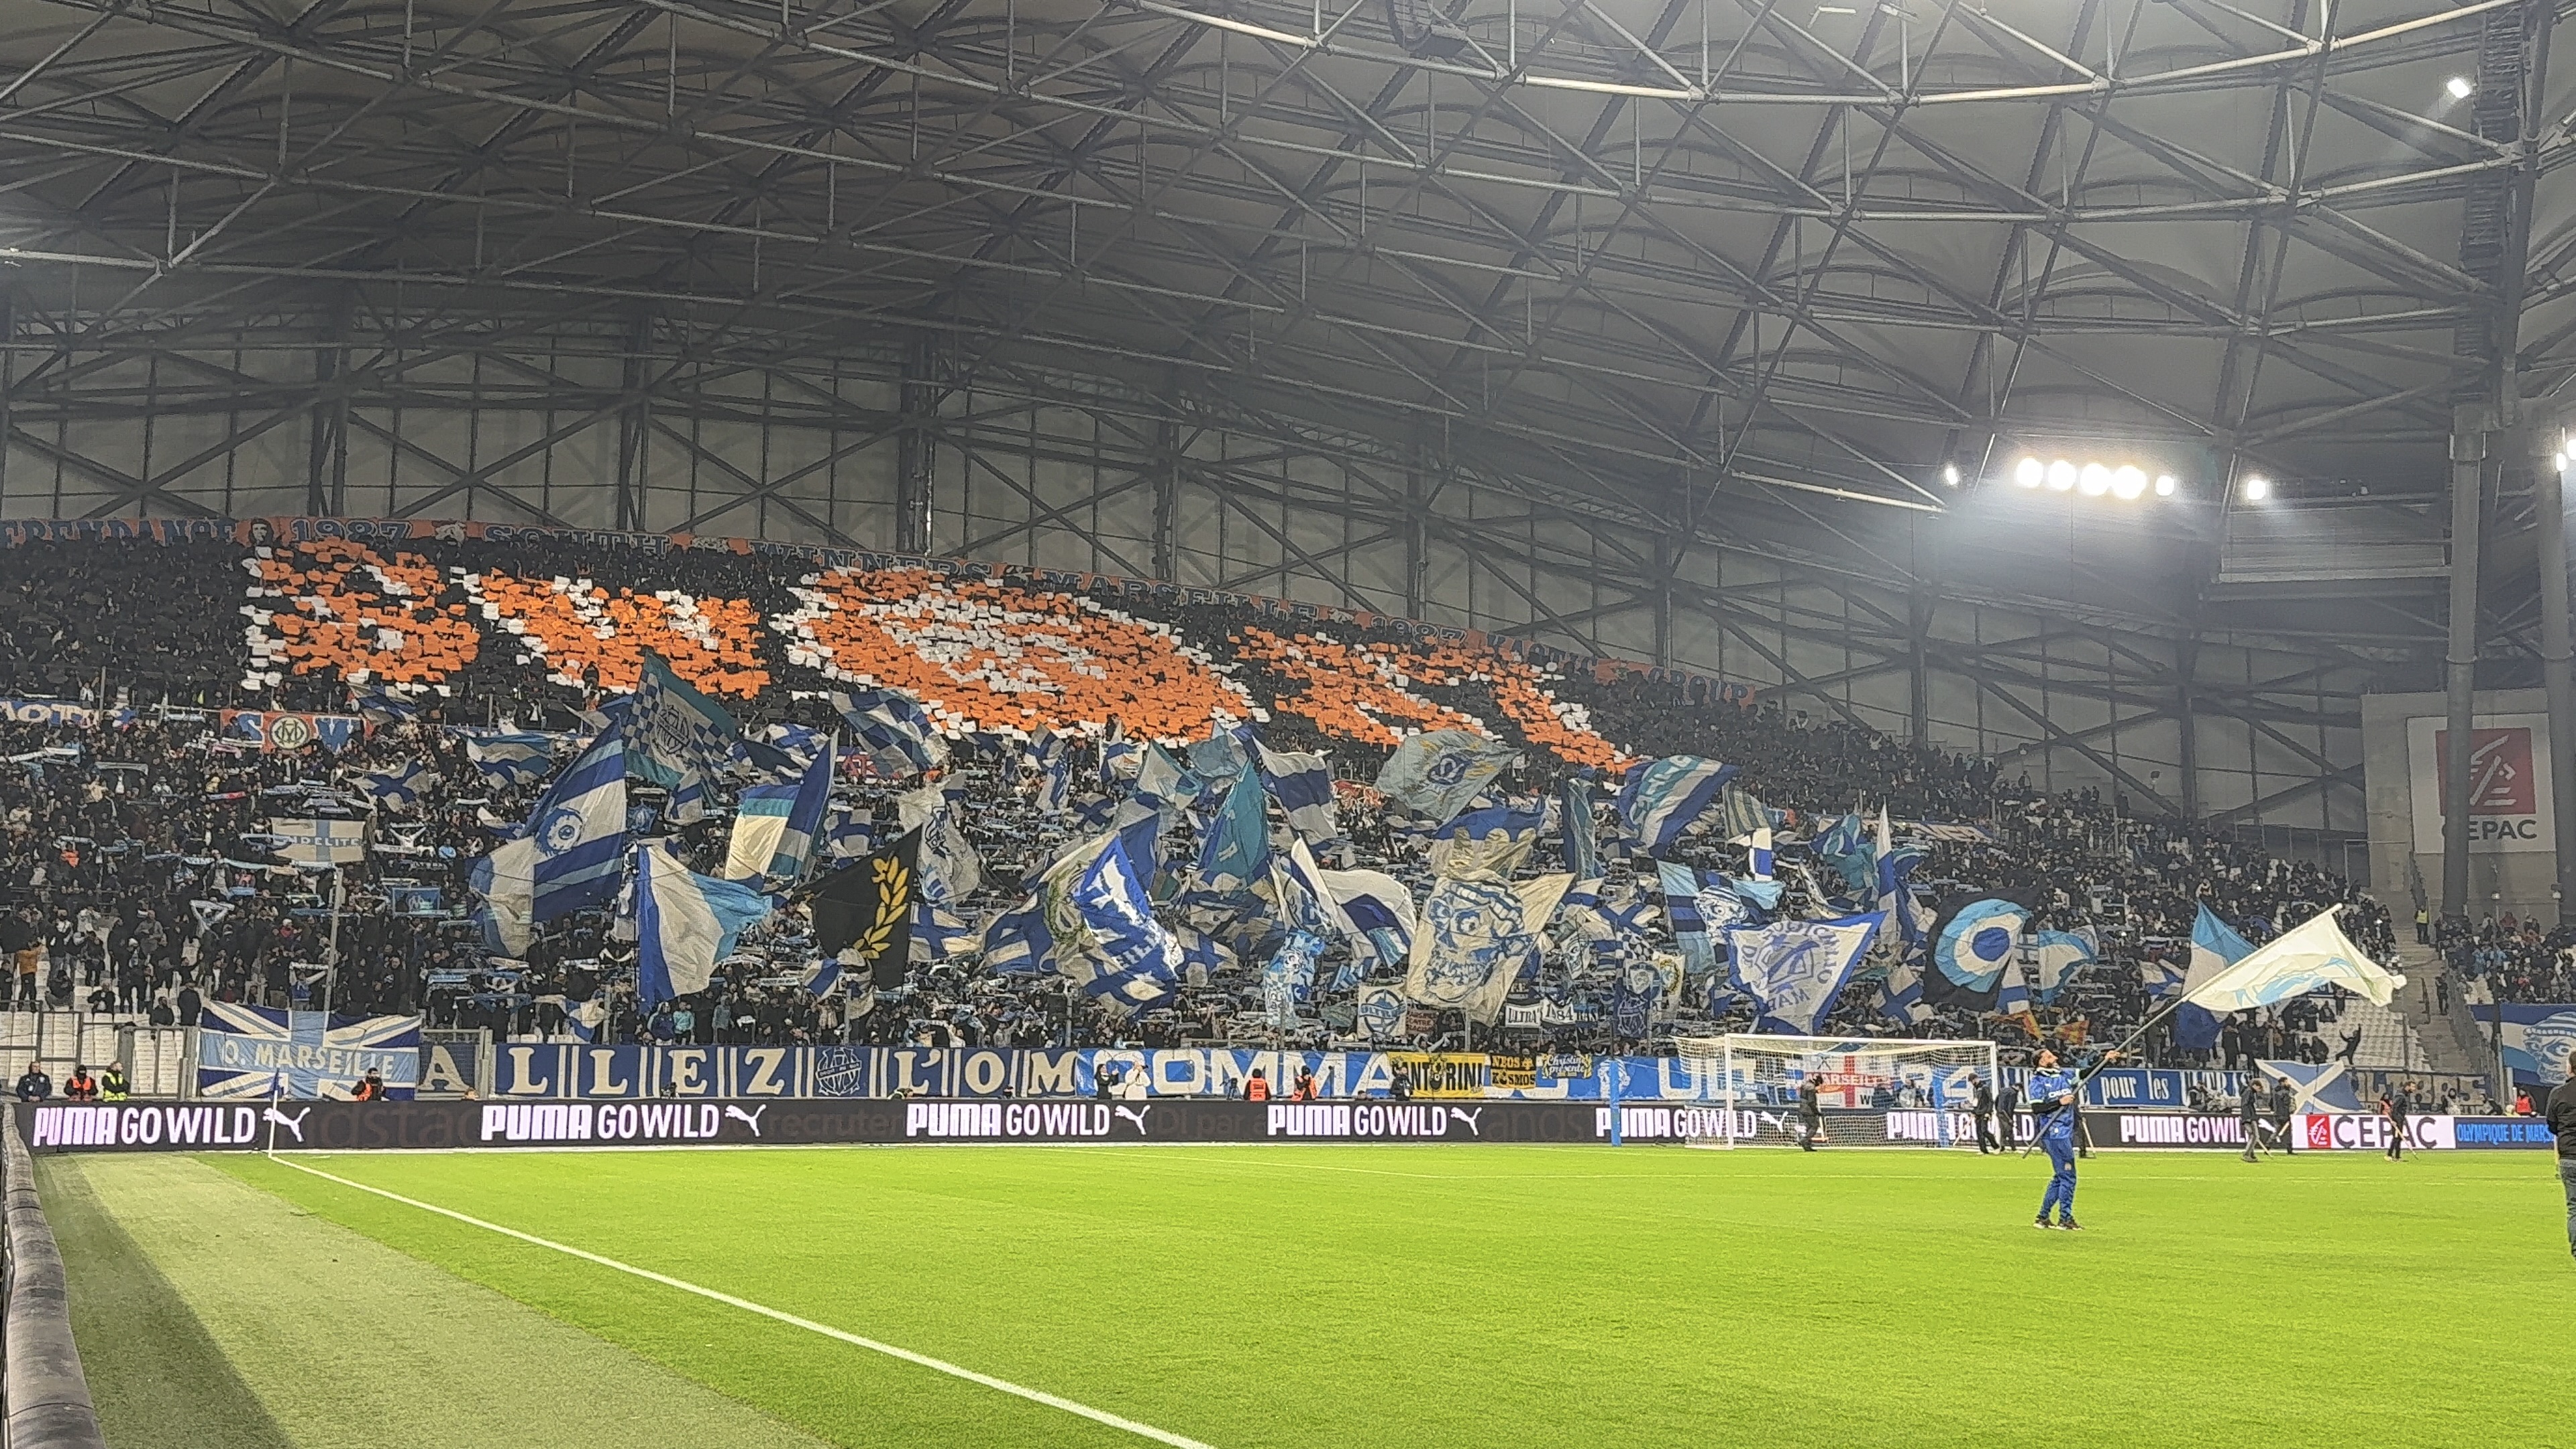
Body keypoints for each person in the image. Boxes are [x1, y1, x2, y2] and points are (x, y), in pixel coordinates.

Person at [2027, 1048, 2116, 1230]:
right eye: (2050, 1056)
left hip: (2065, 1132)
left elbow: (2087, 1073)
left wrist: (2105, 1060)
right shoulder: (2037, 1081)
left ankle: (2043, 1217)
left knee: (2060, 1177)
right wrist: (2059, 1103)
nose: (2055, 1057)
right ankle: (2065, 1219)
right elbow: (2037, 1108)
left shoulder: (2064, 1074)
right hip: (2054, 1134)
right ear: (2042, 1062)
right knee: (2069, 1177)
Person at [2547, 1058, 2576, 1259]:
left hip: (2569, 1157)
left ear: (2570, 1068)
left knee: (2574, 1208)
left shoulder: (2558, 1093)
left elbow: (2552, 1125)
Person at [2239, 1075, 2265, 1163]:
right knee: (2254, 1136)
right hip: (2249, 1117)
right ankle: (2247, 1154)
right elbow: (2245, 1105)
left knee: (2253, 1136)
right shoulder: (2249, 1092)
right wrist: (2248, 1118)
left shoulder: (2249, 1092)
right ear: (2254, 1085)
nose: (2259, 1090)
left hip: (2249, 1117)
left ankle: (2251, 1154)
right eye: (2259, 1088)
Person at [2269, 1077, 2297, 1156]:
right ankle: (2289, 1149)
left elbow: (2270, 1102)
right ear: (2283, 1082)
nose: (2288, 1083)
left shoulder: (2274, 1091)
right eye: (2286, 1082)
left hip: (2277, 1114)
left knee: (2276, 1132)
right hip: (2284, 1114)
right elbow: (2287, 1102)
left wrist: (2272, 1109)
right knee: (2288, 1133)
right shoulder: (2286, 1092)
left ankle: (2268, 1146)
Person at [1797, 1074, 1825, 1151]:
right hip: (1809, 1110)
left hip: (1802, 1108)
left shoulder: (1804, 1085)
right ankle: (1805, 1140)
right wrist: (1816, 1112)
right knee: (1814, 1126)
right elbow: (1811, 1102)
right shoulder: (1811, 1088)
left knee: (1809, 1127)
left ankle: (1807, 1146)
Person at [1971, 1076, 1998, 1155]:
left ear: (1976, 1079)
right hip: (1978, 1113)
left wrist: (1988, 1112)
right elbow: (1976, 1102)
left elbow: (1990, 1100)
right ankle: (1983, 1150)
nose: (1972, 1083)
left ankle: (1996, 1146)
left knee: (1984, 1131)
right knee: (1979, 1132)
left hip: (1985, 1112)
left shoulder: (1985, 1087)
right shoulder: (1975, 1089)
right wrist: (1974, 1112)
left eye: (1972, 1081)